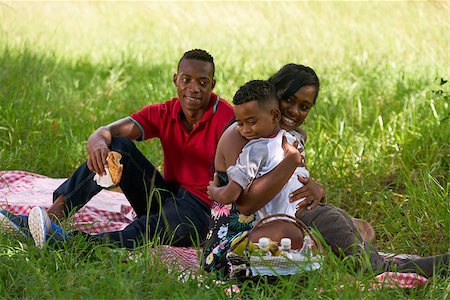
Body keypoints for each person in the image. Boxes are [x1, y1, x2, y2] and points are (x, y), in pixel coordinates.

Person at [202, 63, 449, 278]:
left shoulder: (284, 136)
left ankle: (373, 261)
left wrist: (315, 188)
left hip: (279, 221)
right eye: (288, 100)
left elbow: (291, 184)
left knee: (349, 227)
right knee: (335, 232)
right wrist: (291, 160)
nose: (294, 111)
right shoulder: (243, 133)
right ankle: (386, 267)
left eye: (304, 106)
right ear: (272, 96)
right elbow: (246, 205)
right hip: (238, 242)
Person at [2, 49, 235, 249]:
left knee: (145, 228)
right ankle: (51, 217)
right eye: (186, 79)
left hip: (202, 210)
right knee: (117, 146)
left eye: (202, 82)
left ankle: (69, 243)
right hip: (166, 196)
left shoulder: (227, 119)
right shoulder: (165, 112)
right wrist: (98, 143)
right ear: (176, 80)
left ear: (212, 85)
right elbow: (107, 132)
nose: (194, 88)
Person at [207, 79, 309, 221]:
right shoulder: (253, 150)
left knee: (337, 221)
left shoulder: (287, 138)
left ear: (275, 115)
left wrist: (213, 190)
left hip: (296, 212)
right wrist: (214, 192)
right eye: (240, 123)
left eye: (252, 122)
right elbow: (234, 198)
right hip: (254, 225)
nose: (245, 130)